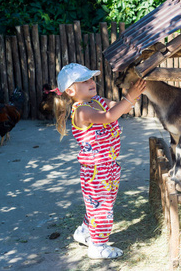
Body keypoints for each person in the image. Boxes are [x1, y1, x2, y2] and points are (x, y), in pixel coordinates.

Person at [54, 63, 146, 259]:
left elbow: (117, 108)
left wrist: (130, 98)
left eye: (91, 78)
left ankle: (84, 232)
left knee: (102, 203)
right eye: (84, 81)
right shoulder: (81, 111)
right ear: (71, 90)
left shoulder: (97, 100)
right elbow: (108, 116)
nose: (91, 82)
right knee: (102, 207)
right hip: (96, 170)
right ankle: (98, 246)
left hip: (109, 166)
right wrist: (128, 98)